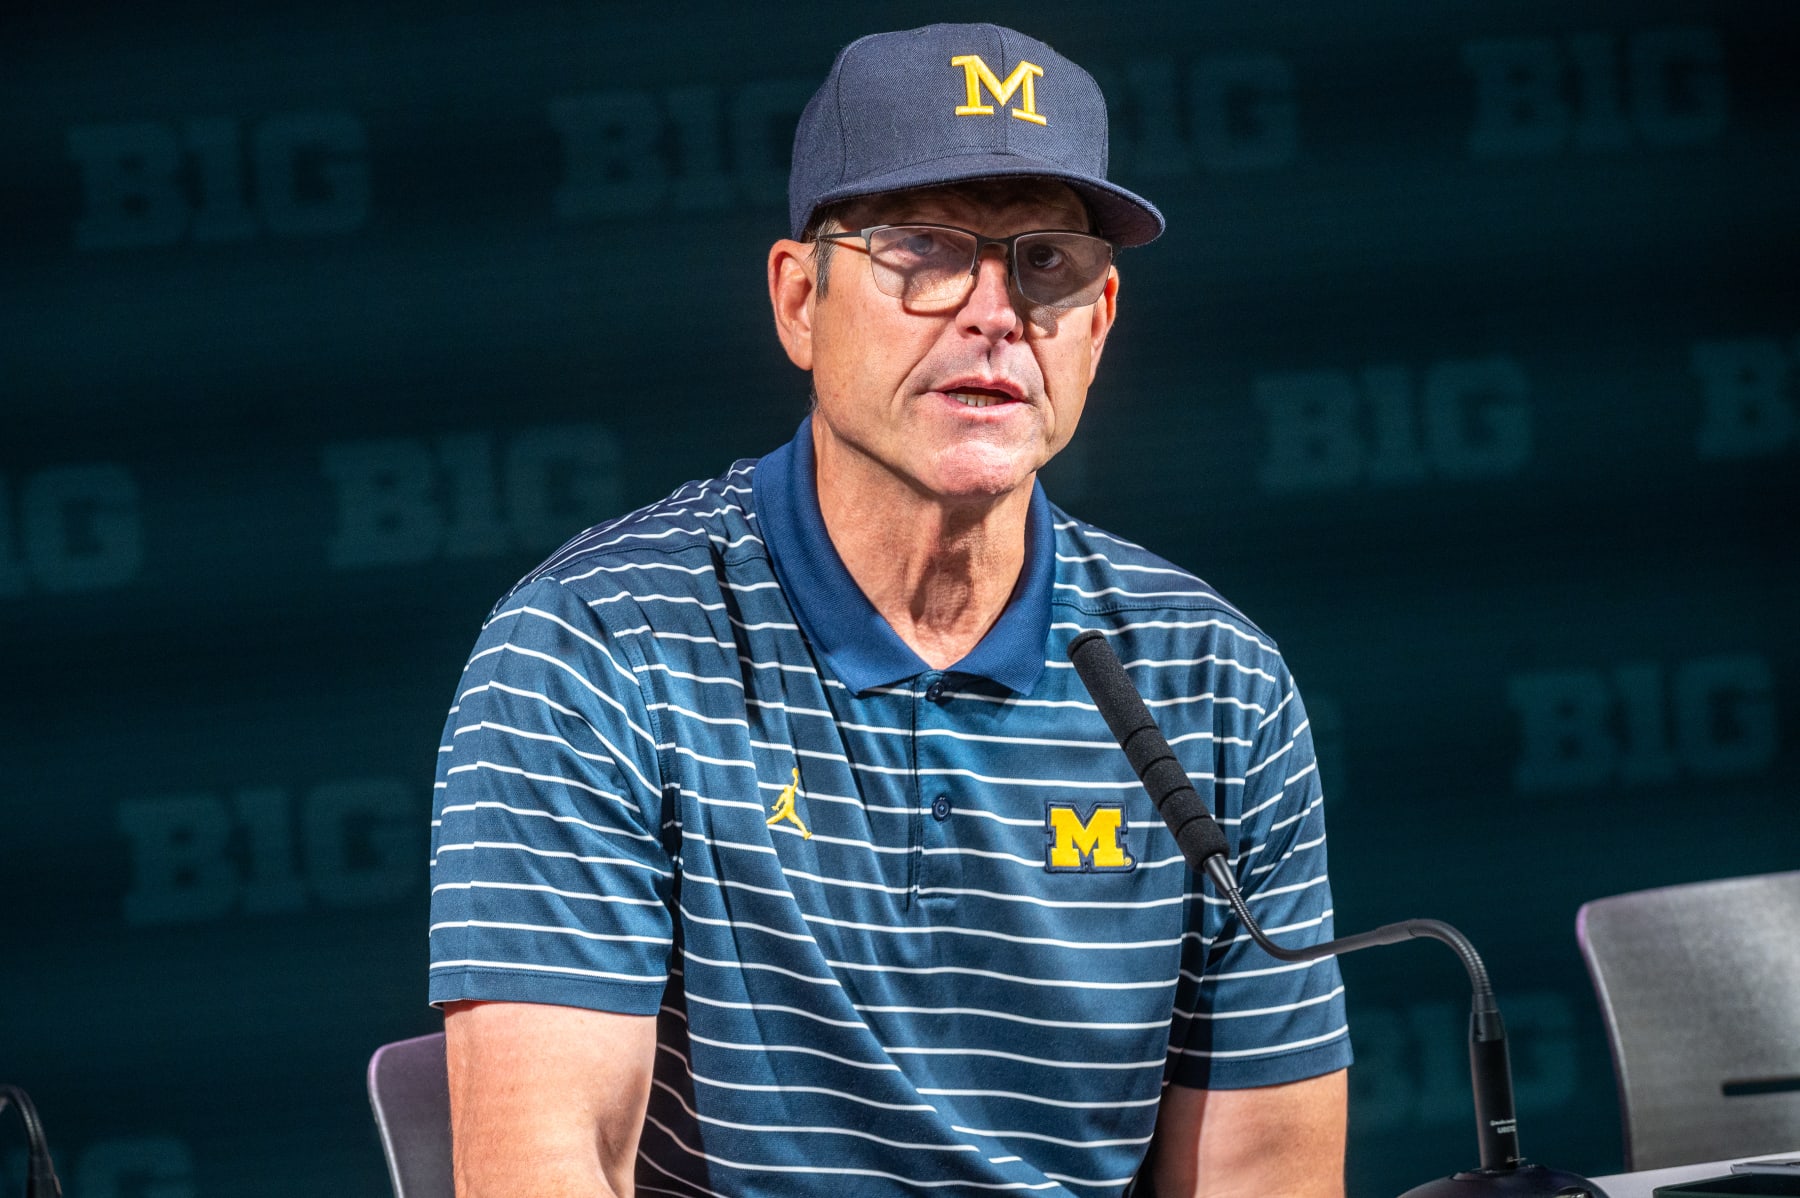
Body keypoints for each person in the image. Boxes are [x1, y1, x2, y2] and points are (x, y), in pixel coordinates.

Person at [430, 22, 1350, 1198]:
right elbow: (543, 1169)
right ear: (800, 301)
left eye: (1047, 264)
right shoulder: (595, 650)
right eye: (923, 248)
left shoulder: (1214, 682)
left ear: (1101, 324)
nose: (994, 311)